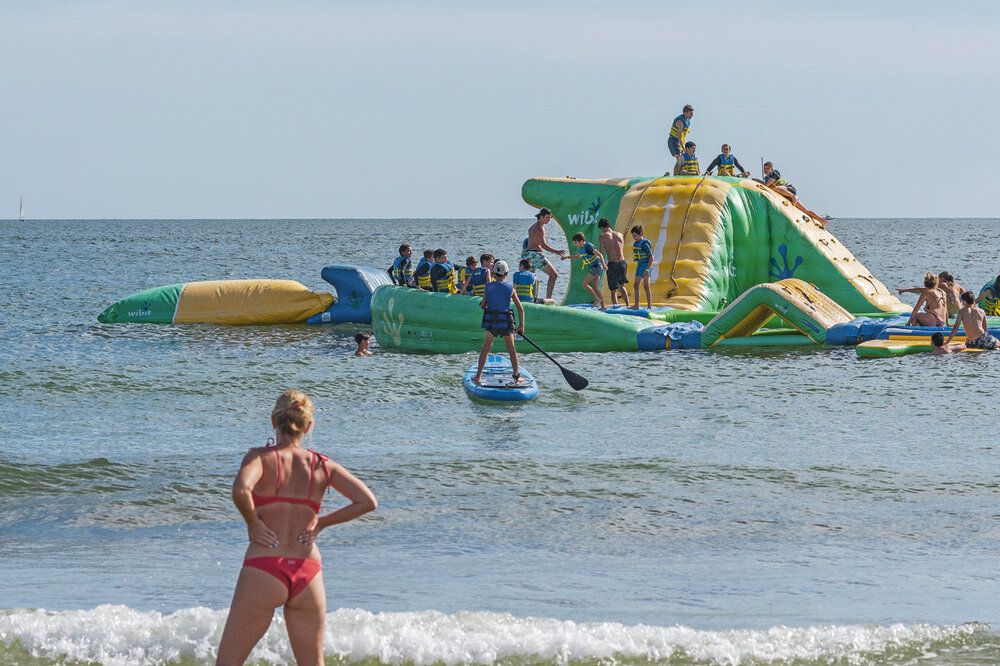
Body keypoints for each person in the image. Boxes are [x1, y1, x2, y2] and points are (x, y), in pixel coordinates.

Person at [216, 390, 377, 666]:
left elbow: (241, 489)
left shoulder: (259, 458)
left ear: (273, 422)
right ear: (308, 426)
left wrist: (253, 523)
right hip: (307, 571)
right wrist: (322, 523)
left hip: (264, 567)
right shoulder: (322, 465)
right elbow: (367, 501)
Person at [473, 261, 526, 385]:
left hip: (492, 323)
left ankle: (478, 376)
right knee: (511, 349)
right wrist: (521, 326)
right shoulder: (510, 288)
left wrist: (482, 305)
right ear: (506, 274)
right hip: (506, 323)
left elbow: (483, 305)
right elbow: (520, 309)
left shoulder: (488, 286)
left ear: (493, 273)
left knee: (486, 348)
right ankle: (516, 376)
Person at [761, 162, 828, 228]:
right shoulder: (766, 178)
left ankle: (793, 196)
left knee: (774, 188)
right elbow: (766, 184)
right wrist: (757, 180)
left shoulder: (774, 173)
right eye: (764, 168)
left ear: (771, 169)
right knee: (805, 210)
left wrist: (758, 181)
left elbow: (768, 185)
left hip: (789, 189)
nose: (765, 170)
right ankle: (822, 220)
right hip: (785, 195)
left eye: (768, 168)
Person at [525, 208, 568, 301]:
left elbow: (530, 239)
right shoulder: (540, 228)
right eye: (547, 217)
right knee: (554, 275)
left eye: (550, 218)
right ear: (541, 217)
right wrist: (557, 252)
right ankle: (548, 299)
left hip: (528, 255)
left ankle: (529, 299)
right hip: (535, 255)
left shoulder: (533, 226)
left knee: (531, 278)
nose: (549, 220)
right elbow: (543, 245)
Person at [568, 232, 607, 309]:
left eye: (576, 242)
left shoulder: (588, 246)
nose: (575, 244)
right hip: (595, 267)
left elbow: (599, 254)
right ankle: (603, 306)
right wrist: (566, 257)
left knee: (584, 284)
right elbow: (577, 257)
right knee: (596, 287)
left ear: (581, 241)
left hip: (596, 267)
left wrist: (604, 265)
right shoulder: (581, 249)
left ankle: (597, 299)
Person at [597, 218, 630, 308]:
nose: (602, 230)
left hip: (612, 264)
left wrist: (599, 260)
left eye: (601, 228)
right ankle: (628, 306)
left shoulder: (602, 237)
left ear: (603, 227)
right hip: (622, 263)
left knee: (613, 290)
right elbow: (621, 248)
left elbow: (601, 252)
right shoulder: (620, 235)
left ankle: (615, 307)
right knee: (622, 286)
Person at [631, 224, 654, 309]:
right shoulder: (636, 243)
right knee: (636, 285)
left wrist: (647, 270)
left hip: (646, 266)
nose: (634, 237)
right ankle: (636, 305)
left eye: (635, 235)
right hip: (640, 266)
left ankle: (649, 306)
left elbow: (651, 257)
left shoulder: (644, 244)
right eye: (633, 236)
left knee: (646, 286)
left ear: (641, 234)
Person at [667, 104, 694, 176]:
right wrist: (682, 145)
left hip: (679, 141)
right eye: (690, 113)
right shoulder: (680, 121)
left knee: (681, 158)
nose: (692, 115)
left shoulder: (687, 121)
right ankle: (677, 174)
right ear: (685, 113)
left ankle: (677, 174)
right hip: (674, 141)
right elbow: (679, 135)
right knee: (680, 158)